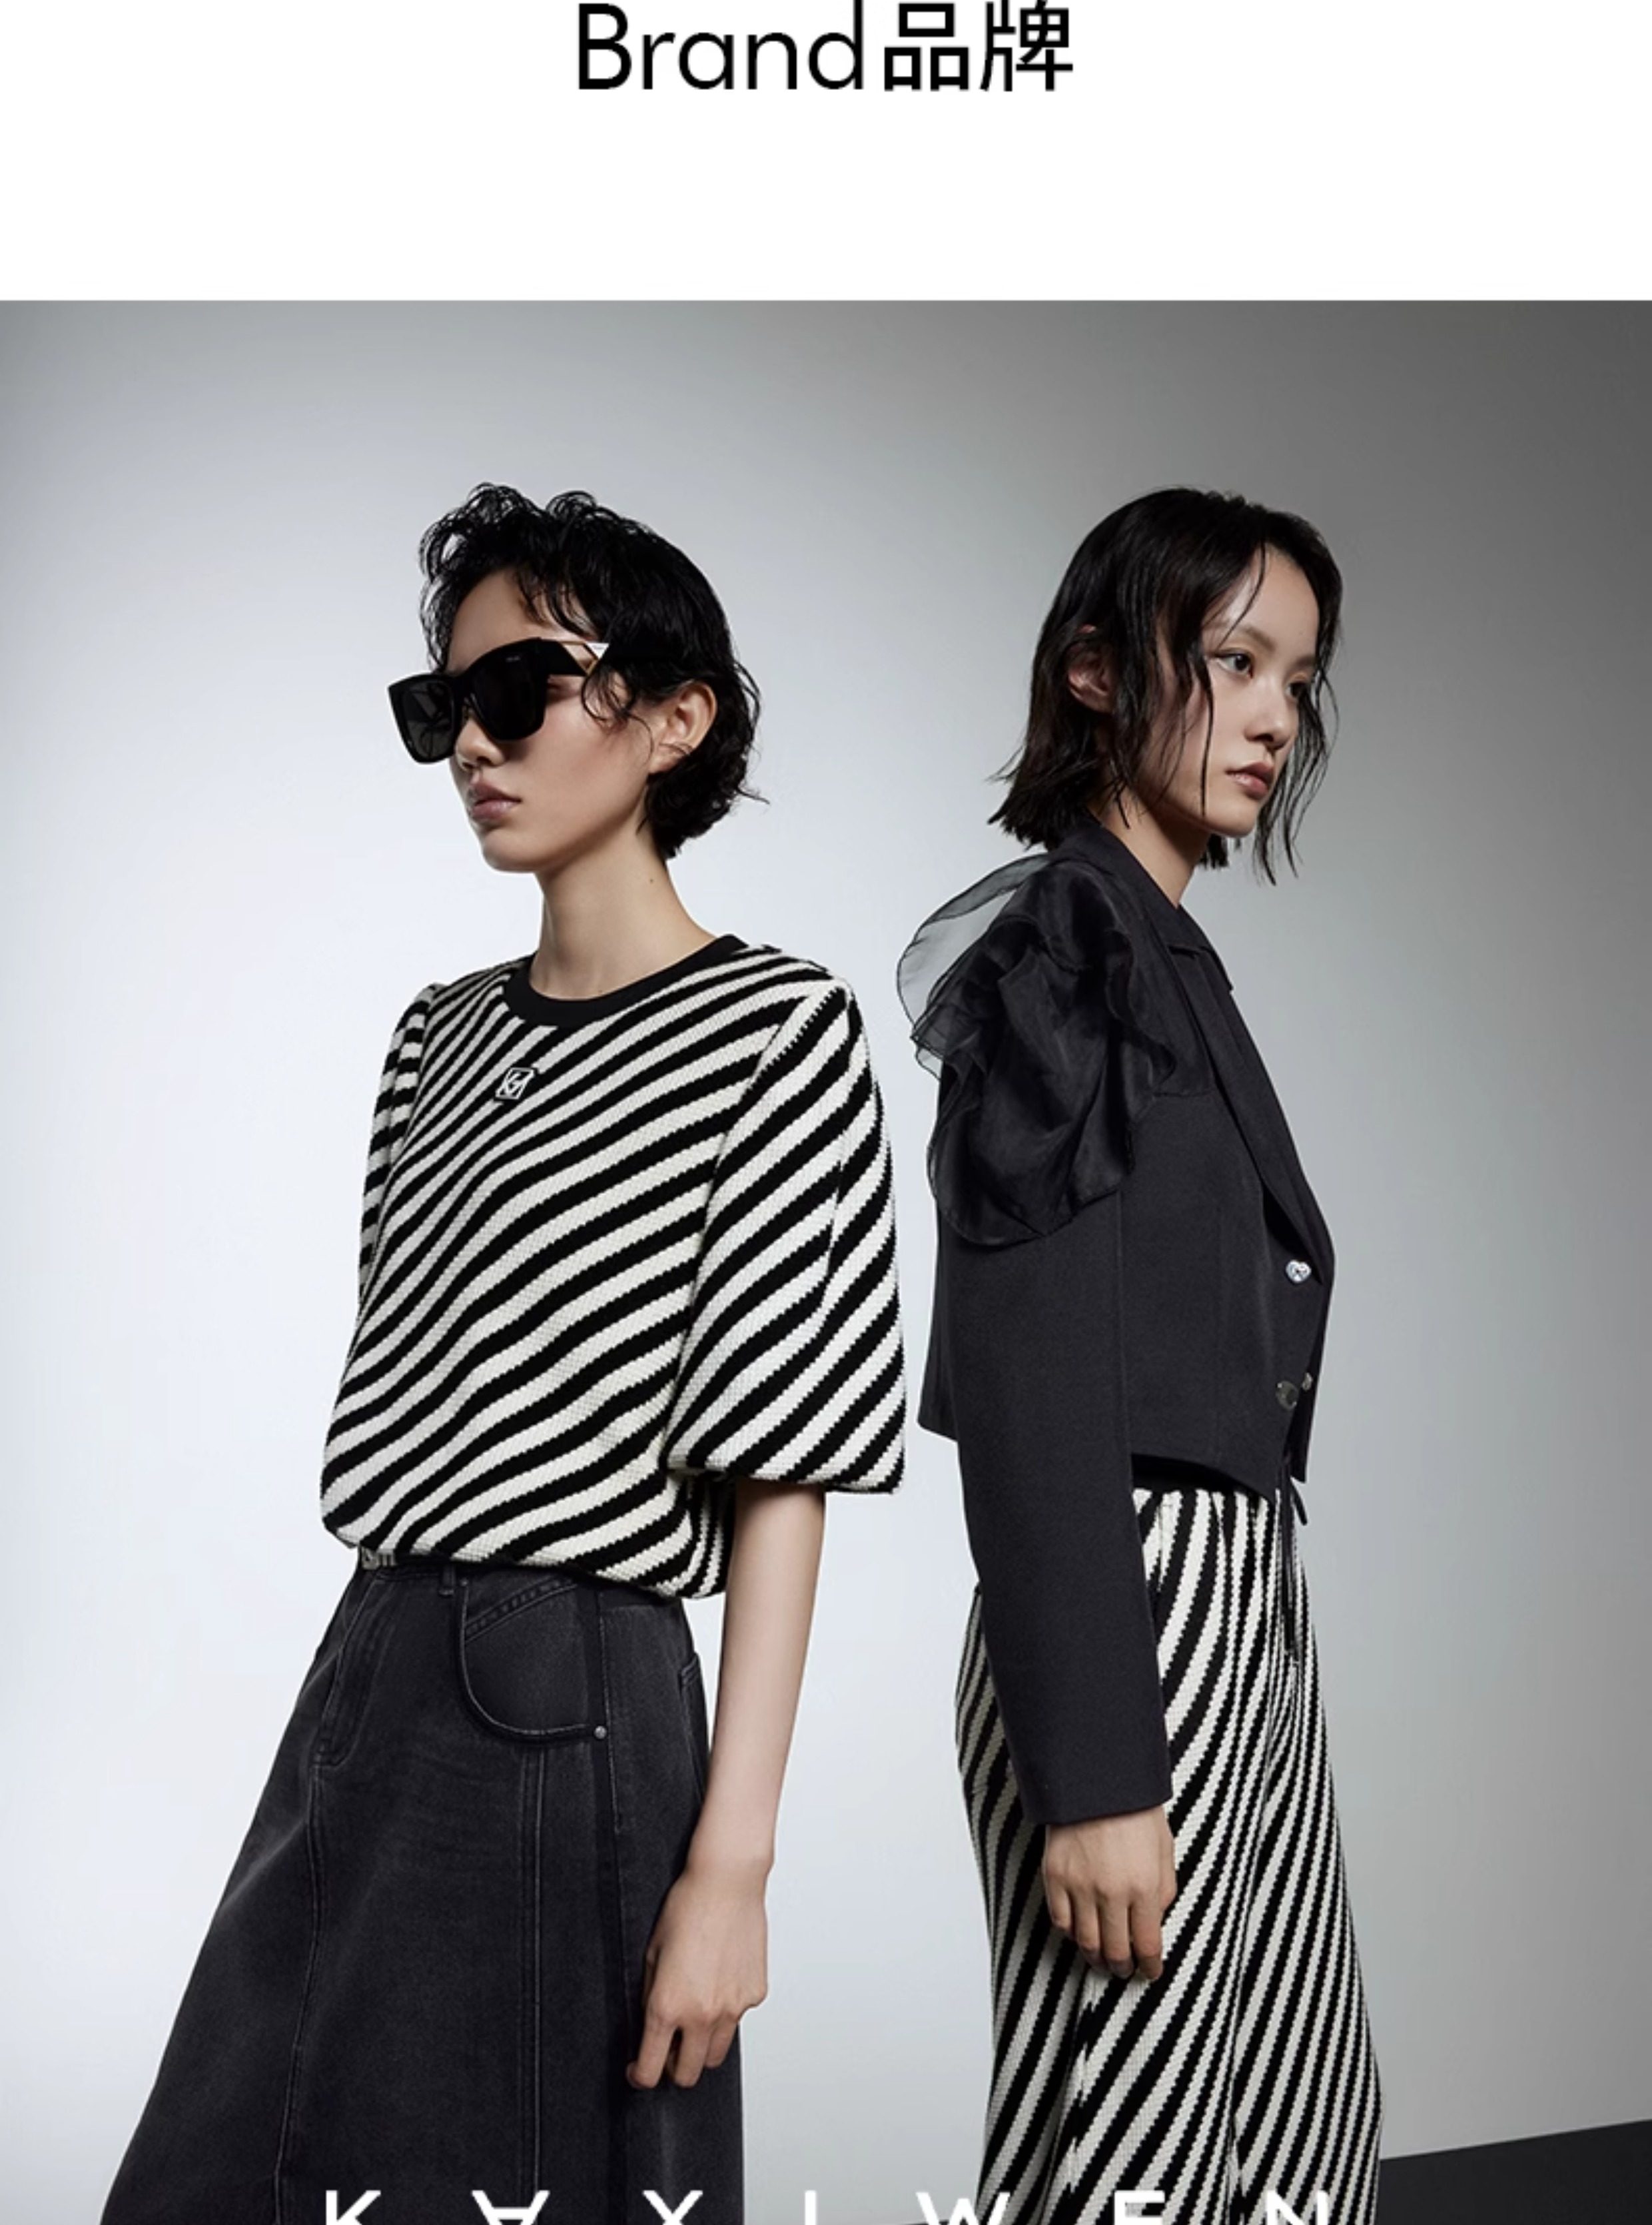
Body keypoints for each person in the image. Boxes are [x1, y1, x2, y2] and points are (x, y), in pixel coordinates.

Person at [102, 484, 906, 2225]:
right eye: (442, 707)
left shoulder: (776, 1034)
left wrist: (733, 1871)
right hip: (372, 1663)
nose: (472, 741)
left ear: (673, 717)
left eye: (517, 690)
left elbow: (786, 1475)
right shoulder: (435, 1041)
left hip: (575, 1698)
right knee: (223, 2168)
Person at [897, 488, 1382, 2225]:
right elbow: (1030, 1382)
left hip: (1227, 1608)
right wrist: (1097, 1774)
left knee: (1272, 2135)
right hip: (1139, 1619)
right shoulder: (1068, 949)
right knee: (1138, 2150)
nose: (1275, 717)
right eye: (1234, 661)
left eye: (1298, 681)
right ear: (1098, 671)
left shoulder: (1157, 948)